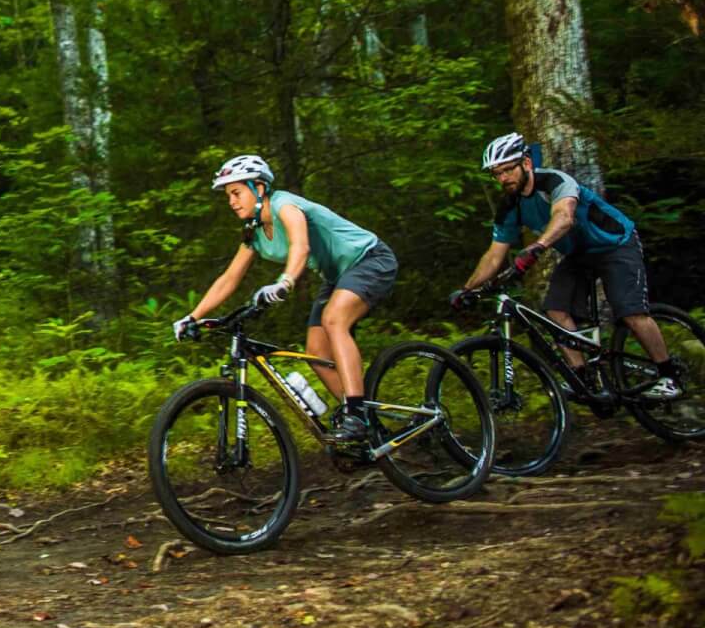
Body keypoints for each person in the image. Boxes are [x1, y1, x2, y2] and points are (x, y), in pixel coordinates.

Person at [175, 155, 399, 444]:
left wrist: (285, 281)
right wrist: (193, 317)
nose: (231, 201)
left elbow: (300, 246)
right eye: (228, 196)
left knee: (334, 320)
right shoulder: (254, 231)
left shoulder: (284, 205)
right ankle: (367, 423)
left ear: (258, 187)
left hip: (369, 259)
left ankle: (356, 414)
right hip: (337, 276)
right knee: (316, 351)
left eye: (236, 192)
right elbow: (229, 278)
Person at [453, 133, 678, 398]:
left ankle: (669, 376)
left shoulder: (554, 181)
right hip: (579, 255)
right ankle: (583, 379)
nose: (503, 178)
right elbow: (493, 256)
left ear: (525, 163)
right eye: (496, 173)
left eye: (507, 169)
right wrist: (467, 289)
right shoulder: (509, 207)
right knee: (555, 311)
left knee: (630, 311)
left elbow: (564, 217)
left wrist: (537, 247)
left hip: (616, 245)